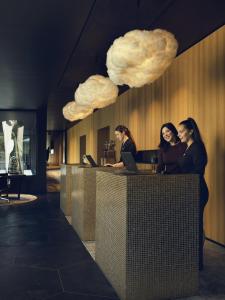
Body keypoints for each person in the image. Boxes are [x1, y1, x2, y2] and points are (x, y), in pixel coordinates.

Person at [177, 117, 209, 271]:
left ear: (190, 131)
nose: (179, 134)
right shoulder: (188, 148)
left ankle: (197, 264)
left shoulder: (197, 147)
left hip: (198, 191)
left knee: (195, 226)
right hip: (190, 191)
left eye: (181, 131)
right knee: (191, 225)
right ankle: (192, 259)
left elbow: (198, 171)